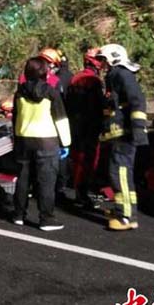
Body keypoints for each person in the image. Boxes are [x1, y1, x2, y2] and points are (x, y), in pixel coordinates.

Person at [11, 57, 71, 231]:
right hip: (46, 141)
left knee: (23, 179)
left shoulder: (19, 92)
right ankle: (46, 219)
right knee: (46, 182)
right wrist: (65, 143)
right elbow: (61, 119)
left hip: (23, 140)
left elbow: (15, 117)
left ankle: (18, 214)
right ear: (45, 72)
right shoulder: (51, 93)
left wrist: (16, 138)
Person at [97, 44, 148, 231]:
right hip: (117, 134)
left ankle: (126, 216)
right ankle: (123, 210)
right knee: (118, 174)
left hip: (123, 135)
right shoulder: (115, 76)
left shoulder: (122, 75)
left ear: (114, 58)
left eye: (104, 60)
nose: (102, 64)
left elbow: (137, 102)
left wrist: (138, 129)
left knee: (121, 175)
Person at [65, 48, 105, 209]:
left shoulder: (76, 78)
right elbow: (98, 106)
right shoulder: (93, 81)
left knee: (77, 160)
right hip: (89, 125)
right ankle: (82, 193)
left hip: (75, 125)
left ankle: (79, 192)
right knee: (87, 161)